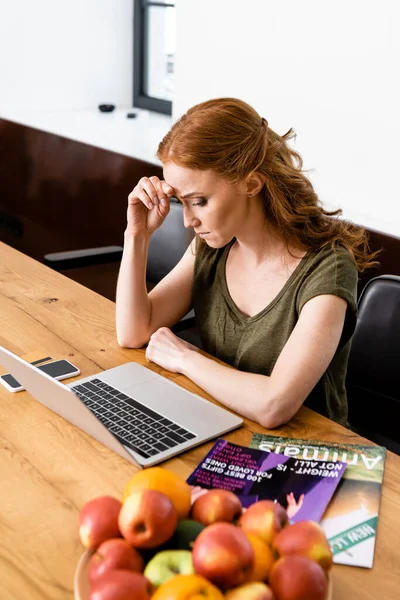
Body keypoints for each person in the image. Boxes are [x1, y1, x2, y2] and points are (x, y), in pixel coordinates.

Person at [116, 97, 378, 429]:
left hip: (304, 454)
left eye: (199, 201)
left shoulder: (328, 267)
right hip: (222, 424)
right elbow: (134, 332)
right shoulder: (212, 246)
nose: (188, 220)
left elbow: (274, 406)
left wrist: (185, 358)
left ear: (251, 184)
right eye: (181, 202)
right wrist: (137, 234)